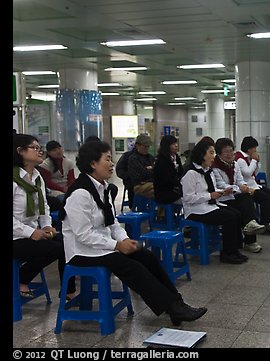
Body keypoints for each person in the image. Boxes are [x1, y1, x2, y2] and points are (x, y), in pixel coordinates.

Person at [60, 140, 207, 325]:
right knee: (131, 266)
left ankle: (177, 303)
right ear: (92, 164)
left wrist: (125, 240)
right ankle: (171, 308)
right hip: (82, 252)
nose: (112, 164)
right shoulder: (80, 193)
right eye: (107, 159)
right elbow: (83, 234)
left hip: (101, 247)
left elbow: (112, 223)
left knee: (147, 257)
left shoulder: (103, 188)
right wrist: (116, 245)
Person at [13, 134, 76, 300]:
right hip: (15, 237)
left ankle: (67, 291)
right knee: (56, 248)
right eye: (34, 148)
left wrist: (47, 225)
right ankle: (21, 278)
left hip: (30, 232)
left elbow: (44, 207)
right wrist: (31, 232)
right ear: (20, 151)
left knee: (67, 242)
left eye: (39, 148)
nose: (40, 151)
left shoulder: (36, 176)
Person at [181, 138, 248, 264]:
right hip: (196, 210)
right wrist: (210, 196)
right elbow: (188, 197)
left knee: (237, 214)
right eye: (211, 153)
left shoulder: (207, 171)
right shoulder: (191, 173)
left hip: (209, 205)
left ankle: (234, 250)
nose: (214, 156)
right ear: (202, 155)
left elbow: (211, 188)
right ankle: (227, 253)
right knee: (229, 217)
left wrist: (222, 191)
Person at [212, 137, 266, 253]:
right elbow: (222, 185)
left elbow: (240, 180)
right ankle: (250, 239)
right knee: (243, 207)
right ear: (219, 153)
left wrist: (243, 186)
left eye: (231, 150)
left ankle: (251, 235)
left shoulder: (235, 164)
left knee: (247, 198)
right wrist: (240, 188)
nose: (229, 154)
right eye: (226, 152)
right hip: (223, 198)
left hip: (234, 195)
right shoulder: (215, 167)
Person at [234, 136, 270, 234]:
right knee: (264, 198)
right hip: (246, 187)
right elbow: (248, 173)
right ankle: (265, 223)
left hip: (253, 184)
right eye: (254, 148)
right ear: (249, 149)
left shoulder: (248, 158)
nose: (255, 150)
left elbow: (256, 172)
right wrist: (254, 161)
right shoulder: (240, 159)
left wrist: (257, 163)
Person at [153, 135, 184, 205]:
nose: (176, 145)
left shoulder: (176, 158)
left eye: (176, 143)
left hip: (175, 189)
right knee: (190, 201)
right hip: (164, 193)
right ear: (166, 146)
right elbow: (167, 179)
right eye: (173, 144)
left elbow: (181, 173)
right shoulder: (161, 160)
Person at [128, 134, 155, 199]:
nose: (147, 148)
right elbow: (141, 175)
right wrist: (151, 170)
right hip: (139, 185)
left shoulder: (150, 157)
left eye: (148, 147)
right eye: (145, 146)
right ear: (137, 145)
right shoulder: (133, 158)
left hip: (150, 183)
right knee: (160, 189)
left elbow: (156, 171)